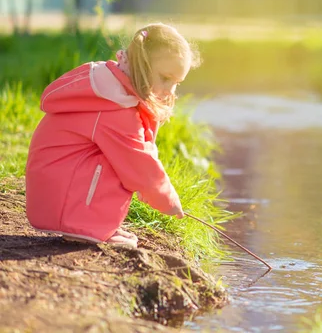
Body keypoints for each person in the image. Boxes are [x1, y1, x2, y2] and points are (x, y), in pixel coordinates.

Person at [25, 23, 200, 249]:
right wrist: (169, 201)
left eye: (176, 83)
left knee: (119, 157)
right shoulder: (115, 108)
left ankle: (96, 225)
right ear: (140, 65)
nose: (170, 90)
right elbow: (140, 166)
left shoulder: (109, 86)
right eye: (165, 78)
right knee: (123, 161)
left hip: (53, 192)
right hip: (59, 201)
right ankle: (86, 228)